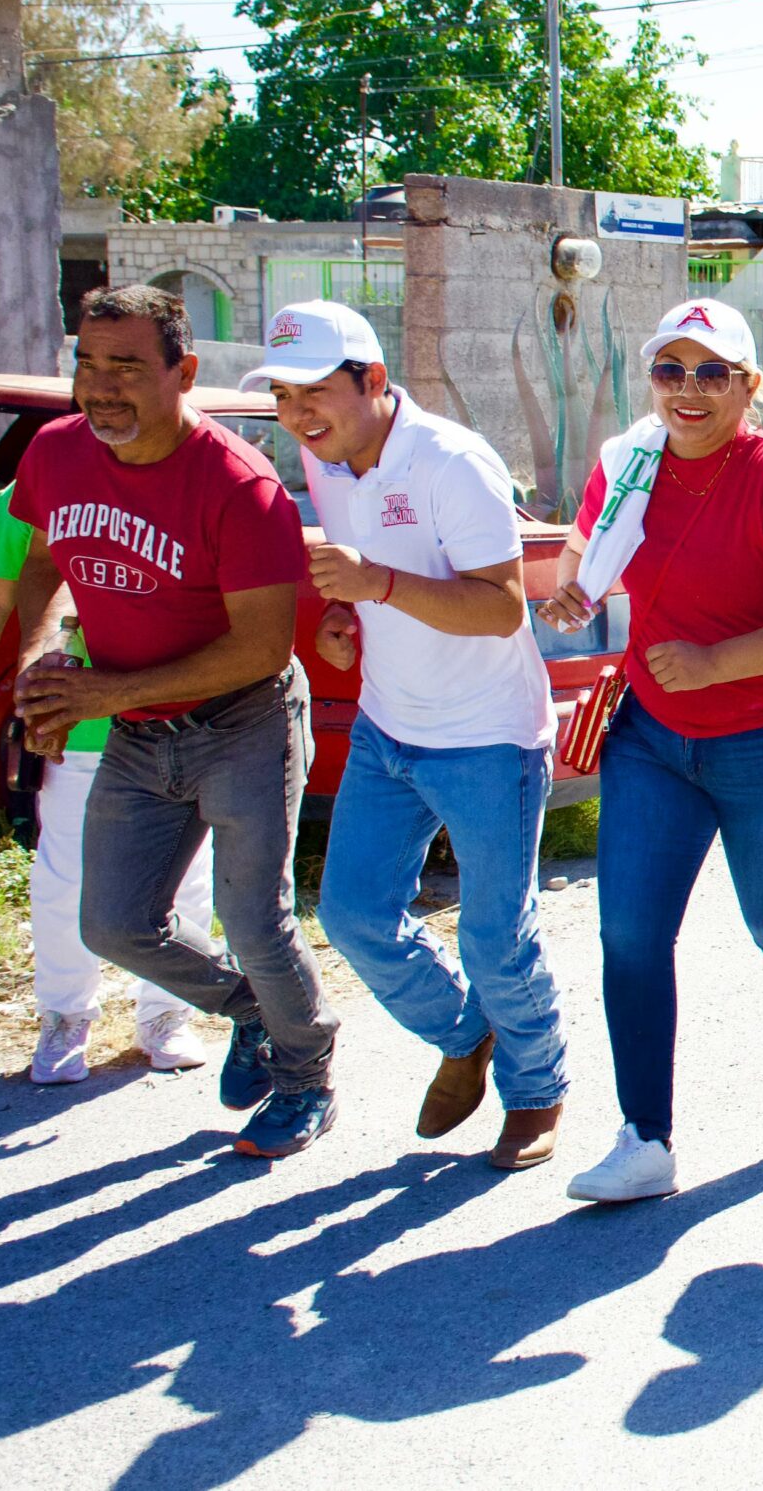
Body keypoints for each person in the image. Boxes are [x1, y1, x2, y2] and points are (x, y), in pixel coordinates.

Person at [544, 298, 763, 1204]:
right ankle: (645, 1136)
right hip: (654, 740)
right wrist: (572, 597)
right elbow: (582, 563)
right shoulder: (627, 463)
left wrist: (715, 661)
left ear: (748, 387)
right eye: (670, 370)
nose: (688, 390)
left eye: (711, 372)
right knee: (632, 933)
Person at [8, 285, 333, 1157]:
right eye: (86, 362)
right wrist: (44, 647)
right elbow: (42, 559)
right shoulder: (55, 452)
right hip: (140, 729)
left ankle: (307, 1078)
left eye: (127, 367)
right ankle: (257, 1012)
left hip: (244, 721)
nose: (101, 386)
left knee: (255, 916)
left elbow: (263, 647)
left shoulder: (240, 483)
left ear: (183, 372)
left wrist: (102, 696)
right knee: (112, 922)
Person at [247, 300, 570, 1171]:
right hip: (392, 732)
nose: (299, 413)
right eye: (283, 394)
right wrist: (347, 619)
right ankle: (468, 1034)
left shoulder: (451, 462)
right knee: (351, 914)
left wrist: (376, 582)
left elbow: (504, 607)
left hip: (488, 741)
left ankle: (537, 1089)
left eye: (317, 390)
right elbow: (368, 587)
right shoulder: (329, 464)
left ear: (375, 381)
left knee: (496, 937)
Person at [0, 484, 217, 1085]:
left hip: (178, 716)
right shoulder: (25, 496)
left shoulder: (188, 479)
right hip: (77, 729)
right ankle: (65, 1016)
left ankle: (166, 1014)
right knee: (66, 878)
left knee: (184, 874)